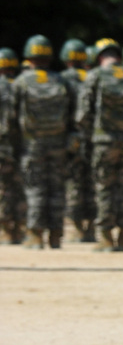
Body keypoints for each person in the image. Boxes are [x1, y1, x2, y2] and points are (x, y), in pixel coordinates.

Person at [14, 35, 72, 249]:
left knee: (35, 188)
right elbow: (73, 112)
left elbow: (11, 117)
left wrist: (15, 143)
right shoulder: (60, 80)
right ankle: (56, 235)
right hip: (58, 143)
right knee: (57, 188)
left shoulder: (21, 81)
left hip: (32, 144)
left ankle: (36, 235)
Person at [58, 39, 95, 243]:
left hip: (72, 139)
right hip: (94, 138)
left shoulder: (62, 79)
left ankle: (78, 228)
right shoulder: (93, 76)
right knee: (92, 182)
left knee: (74, 183)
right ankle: (91, 227)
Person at [0, 58, 21, 244]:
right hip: (18, 144)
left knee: (4, 189)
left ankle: (5, 231)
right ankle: (19, 229)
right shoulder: (17, 84)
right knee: (19, 187)